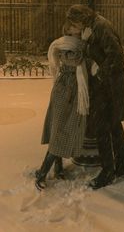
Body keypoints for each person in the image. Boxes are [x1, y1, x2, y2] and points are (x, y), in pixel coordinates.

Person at [66, 4, 124, 190]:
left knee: (102, 129)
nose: (75, 28)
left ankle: (108, 171)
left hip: (109, 88)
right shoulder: (94, 26)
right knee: (114, 127)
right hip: (107, 87)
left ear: (81, 19)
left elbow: (115, 57)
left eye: (75, 24)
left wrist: (99, 71)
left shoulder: (101, 27)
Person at [35, 21, 91, 191]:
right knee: (59, 130)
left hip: (73, 93)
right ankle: (42, 172)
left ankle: (58, 168)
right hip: (64, 91)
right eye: (76, 26)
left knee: (62, 129)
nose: (79, 28)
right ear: (68, 30)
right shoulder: (64, 44)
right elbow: (76, 60)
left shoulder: (76, 44)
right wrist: (85, 42)